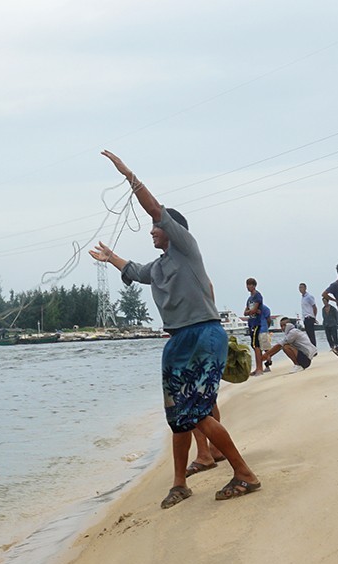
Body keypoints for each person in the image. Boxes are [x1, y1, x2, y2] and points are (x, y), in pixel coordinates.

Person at [90, 149, 260, 508]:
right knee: (178, 417)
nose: (152, 230)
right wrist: (111, 257)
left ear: (172, 230)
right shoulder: (161, 266)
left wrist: (129, 176)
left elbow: (154, 209)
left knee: (197, 411)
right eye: (155, 228)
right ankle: (179, 483)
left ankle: (243, 472)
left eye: (157, 227)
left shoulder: (185, 248)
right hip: (178, 342)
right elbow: (135, 271)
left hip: (203, 335)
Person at [244, 278, 271, 375]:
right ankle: (258, 367)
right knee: (255, 346)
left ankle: (260, 368)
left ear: (254, 285)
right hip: (251, 323)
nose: (248, 287)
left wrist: (251, 311)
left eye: (250, 285)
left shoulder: (257, 296)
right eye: (247, 285)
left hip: (257, 323)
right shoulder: (249, 299)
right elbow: (245, 312)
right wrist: (249, 311)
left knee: (258, 346)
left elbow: (254, 310)